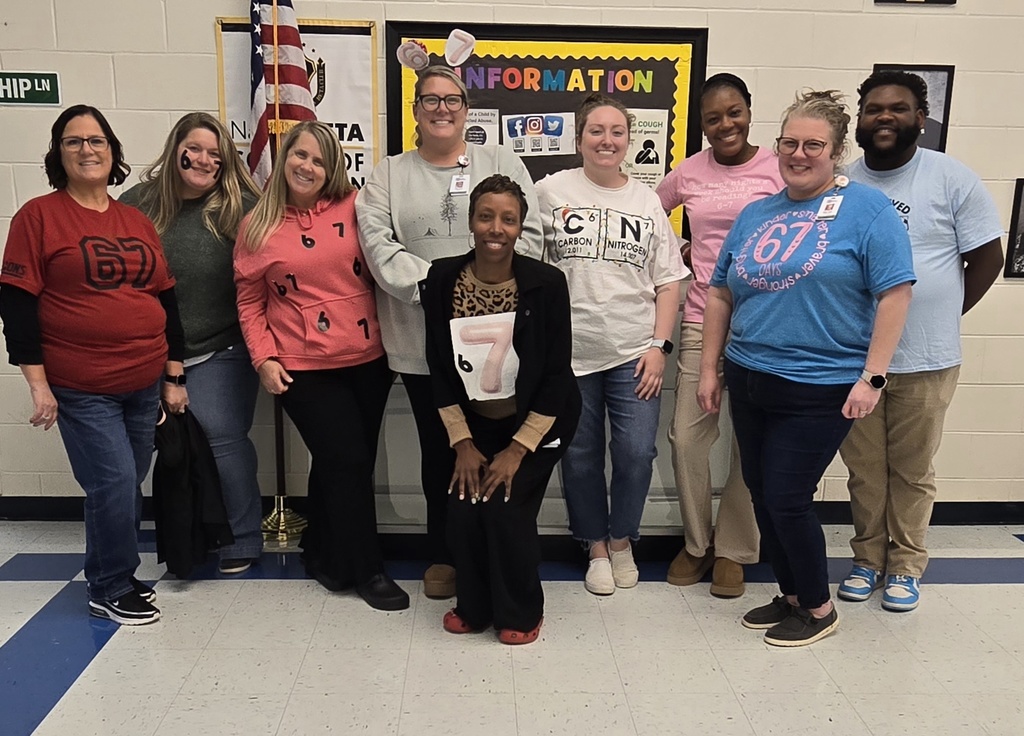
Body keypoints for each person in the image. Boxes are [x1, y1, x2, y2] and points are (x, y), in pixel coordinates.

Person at [698, 90, 915, 647]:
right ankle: (791, 595)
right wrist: (710, 370)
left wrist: (873, 376)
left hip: (820, 382)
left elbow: (895, 294)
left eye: (813, 145)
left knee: (789, 496)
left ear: (836, 150)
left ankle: (818, 608)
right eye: (789, 143)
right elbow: (720, 293)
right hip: (750, 374)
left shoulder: (868, 211)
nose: (799, 154)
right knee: (762, 488)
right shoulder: (758, 212)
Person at [357, 65, 543, 600]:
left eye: (452, 100)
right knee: (441, 451)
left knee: (501, 446)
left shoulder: (502, 162)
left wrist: (471, 291)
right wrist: (439, 292)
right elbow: (378, 244)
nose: (442, 108)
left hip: (497, 338)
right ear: (414, 110)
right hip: (421, 343)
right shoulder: (387, 174)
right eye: (430, 99)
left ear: (467, 109)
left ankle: (494, 552)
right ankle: (446, 551)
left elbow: (526, 235)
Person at [0, 105, 184, 625]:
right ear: (58, 153)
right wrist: (38, 384)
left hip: (143, 381)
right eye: (74, 141)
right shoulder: (39, 217)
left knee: (124, 483)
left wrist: (173, 374)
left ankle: (117, 573)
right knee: (113, 482)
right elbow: (16, 304)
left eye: (97, 140)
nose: (87, 149)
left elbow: (167, 301)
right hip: (82, 385)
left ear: (112, 151)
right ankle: (107, 585)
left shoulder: (135, 219)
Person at [837, 71, 1004, 612]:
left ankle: (906, 564)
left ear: (921, 118)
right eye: (874, 109)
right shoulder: (841, 184)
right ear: (859, 120)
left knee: (912, 469)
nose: (885, 117)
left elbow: (988, 258)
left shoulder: (952, 178)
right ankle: (866, 560)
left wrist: (939, 314)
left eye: (899, 108)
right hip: (855, 360)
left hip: (927, 360)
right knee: (864, 470)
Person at [234, 121, 408, 611]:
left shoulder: (357, 208)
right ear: (285, 156)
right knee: (348, 460)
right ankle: (366, 569)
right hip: (301, 367)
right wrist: (263, 358)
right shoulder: (258, 225)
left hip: (369, 359)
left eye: (319, 159)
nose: (307, 166)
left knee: (343, 463)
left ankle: (323, 554)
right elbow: (248, 300)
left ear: (333, 167)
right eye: (300, 155)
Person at [536, 93, 686, 596]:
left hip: (634, 352)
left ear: (629, 140)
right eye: (596, 130)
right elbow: (528, 271)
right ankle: (594, 545)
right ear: (579, 138)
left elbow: (669, 281)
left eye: (617, 131)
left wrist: (659, 347)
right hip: (570, 357)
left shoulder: (646, 200)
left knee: (636, 452)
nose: (607, 140)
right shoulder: (548, 191)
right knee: (577, 456)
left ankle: (622, 540)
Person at [422, 175, 580, 644]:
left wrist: (516, 451)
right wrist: (463, 444)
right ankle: (474, 607)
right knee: (465, 506)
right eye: (486, 216)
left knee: (505, 509)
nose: (496, 227)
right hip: (475, 426)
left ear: (521, 228)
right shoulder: (443, 278)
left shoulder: (546, 284)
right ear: (471, 221)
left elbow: (555, 375)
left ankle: (521, 613)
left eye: (508, 219)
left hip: (539, 424)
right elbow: (439, 365)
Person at [656, 73, 785, 598]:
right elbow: (647, 214)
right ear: (702, 124)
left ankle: (735, 549)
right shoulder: (687, 172)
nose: (725, 124)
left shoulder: (779, 169)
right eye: (713, 117)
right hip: (698, 318)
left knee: (750, 443)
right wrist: (677, 252)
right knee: (687, 438)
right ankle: (696, 542)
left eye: (734, 112)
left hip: (763, 324)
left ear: (750, 111)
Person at [120, 112, 265, 575]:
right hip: (151, 349)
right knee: (166, 445)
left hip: (221, 345)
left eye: (215, 155)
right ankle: (192, 536)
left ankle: (243, 537)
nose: (203, 160)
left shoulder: (241, 207)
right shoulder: (136, 204)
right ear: (175, 148)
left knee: (223, 439)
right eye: (195, 149)